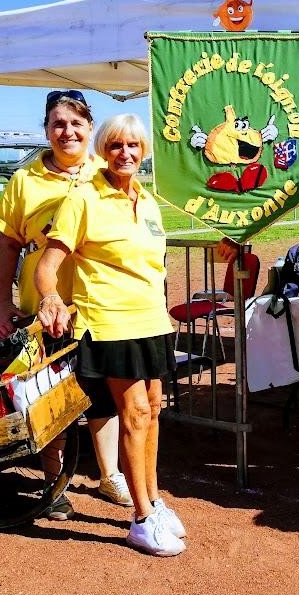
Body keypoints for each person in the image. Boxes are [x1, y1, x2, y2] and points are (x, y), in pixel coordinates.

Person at [36, 113, 186, 557]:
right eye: (117, 145)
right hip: (108, 322)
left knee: (154, 411)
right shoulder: (83, 198)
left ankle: (154, 501)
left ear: (144, 152)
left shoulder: (148, 200)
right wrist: (51, 300)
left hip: (151, 321)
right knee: (135, 412)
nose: (126, 153)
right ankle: (140, 518)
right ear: (104, 149)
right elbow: (48, 267)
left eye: (134, 146)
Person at [0, 89, 130, 520]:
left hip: (99, 307)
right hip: (44, 312)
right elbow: (7, 246)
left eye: (76, 124)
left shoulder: (108, 171)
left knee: (103, 396)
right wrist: (0, 304)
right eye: (58, 124)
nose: (67, 132)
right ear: (47, 130)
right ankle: (55, 485)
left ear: (90, 128)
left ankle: (110, 476)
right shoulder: (25, 181)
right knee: (50, 399)